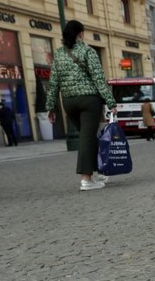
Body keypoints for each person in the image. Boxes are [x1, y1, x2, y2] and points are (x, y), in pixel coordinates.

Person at [45, 19, 118, 191]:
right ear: (81, 34)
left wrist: (51, 107)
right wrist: (111, 102)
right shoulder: (88, 51)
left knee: (88, 137)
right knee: (87, 137)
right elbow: (98, 79)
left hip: (69, 102)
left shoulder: (59, 54)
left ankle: (100, 171)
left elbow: (53, 83)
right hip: (88, 101)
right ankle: (86, 179)